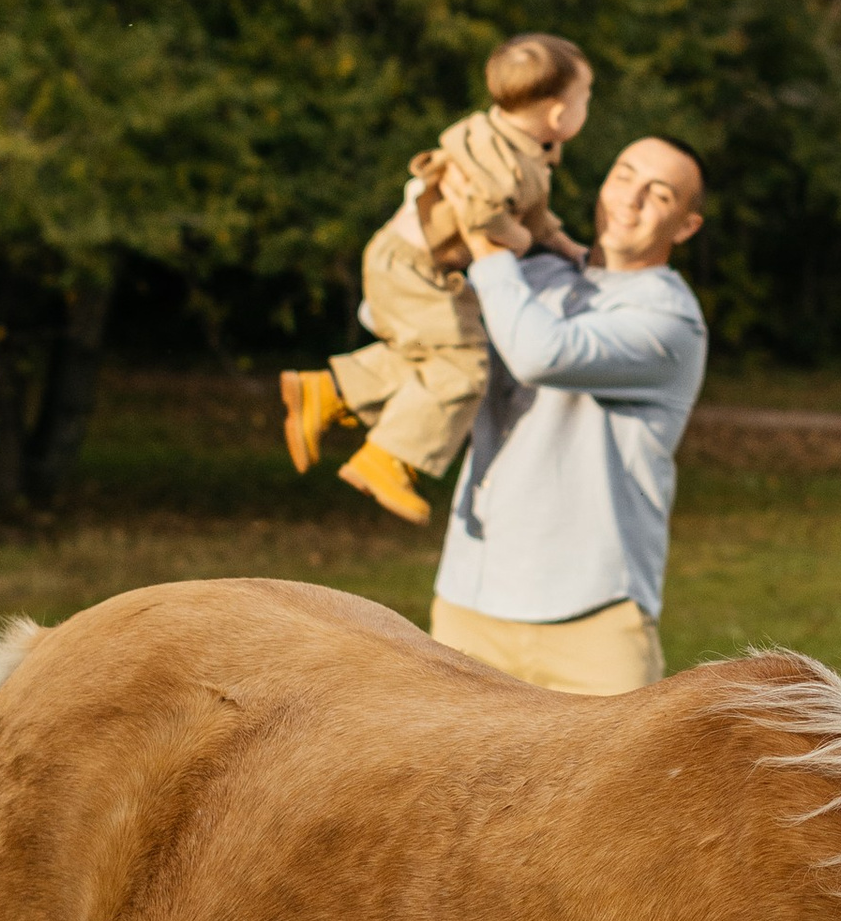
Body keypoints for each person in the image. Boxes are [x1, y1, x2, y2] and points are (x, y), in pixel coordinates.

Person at [427, 133, 709, 694]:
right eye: (624, 176)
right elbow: (391, 312)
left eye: (659, 194)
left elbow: (540, 353)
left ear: (685, 227)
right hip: (469, 600)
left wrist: (486, 244)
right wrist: (453, 184)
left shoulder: (672, 322)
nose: (631, 199)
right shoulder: (534, 276)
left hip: (594, 618)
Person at [279, 35, 594, 525]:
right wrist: (518, 242)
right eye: (585, 98)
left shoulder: (511, 142)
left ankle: (330, 390)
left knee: (432, 356)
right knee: (465, 367)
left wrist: (565, 245)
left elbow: (533, 214)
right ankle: (387, 459)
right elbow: (486, 217)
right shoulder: (502, 162)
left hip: (410, 262)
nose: (587, 107)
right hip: (412, 268)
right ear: (557, 113)